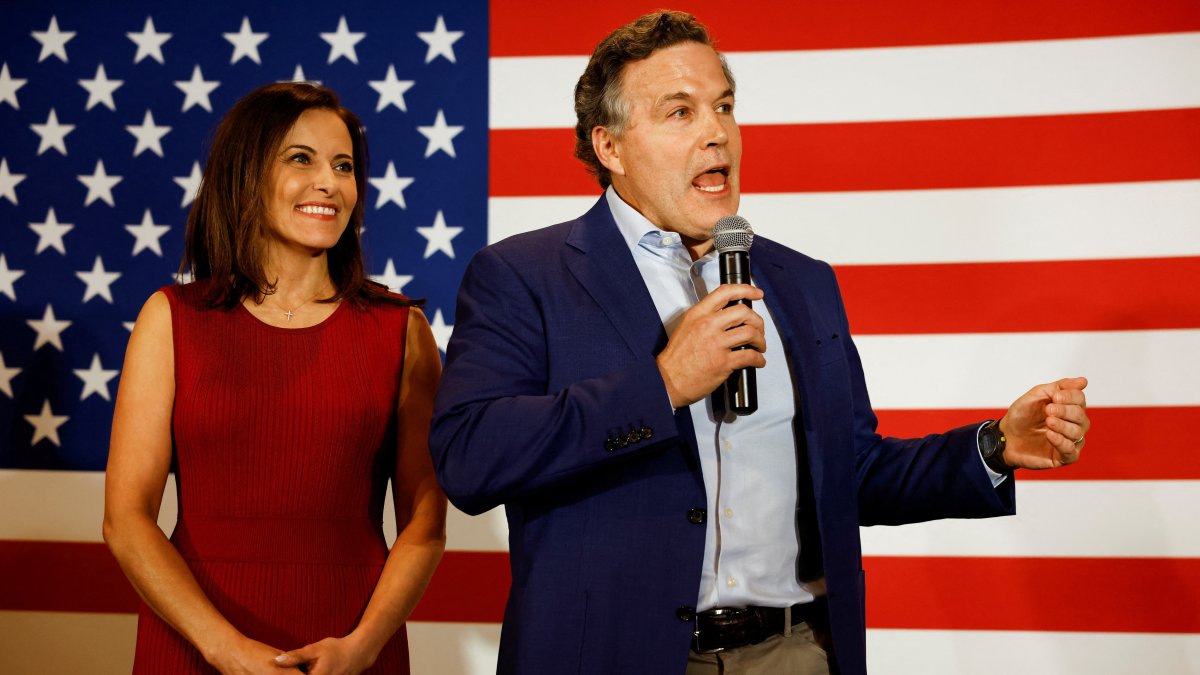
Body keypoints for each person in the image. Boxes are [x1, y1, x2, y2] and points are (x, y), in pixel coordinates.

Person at [429, 10, 1090, 675]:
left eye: (723, 106)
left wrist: (992, 446)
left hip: (794, 652)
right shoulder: (524, 276)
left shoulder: (800, 282)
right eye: (679, 113)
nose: (717, 132)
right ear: (611, 146)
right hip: (610, 655)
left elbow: (850, 472)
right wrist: (660, 386)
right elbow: (471, 458)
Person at [103, 82, 447, 675]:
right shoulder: (171, 318)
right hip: (194, 641)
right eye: (300, 159)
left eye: (344, 166)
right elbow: (126, 520)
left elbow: (425, 523)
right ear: (245, 174)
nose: (329, 183)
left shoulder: (402, 329)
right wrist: (223, 648)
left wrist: (363, 646)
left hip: (352, 642)